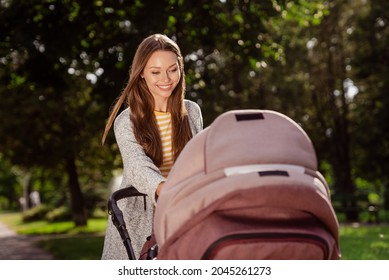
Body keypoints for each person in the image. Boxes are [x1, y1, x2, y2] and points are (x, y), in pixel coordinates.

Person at [101, 33, 203, 259]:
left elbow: (199, 159)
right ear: (142, 75)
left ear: (180, 69)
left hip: (183, 216)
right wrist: (166, 189)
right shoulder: (127, 121)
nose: (166, 78)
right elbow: (137, 166)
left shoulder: (192, 112)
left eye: (172, 69)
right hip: (140, 222)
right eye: (155, 72)